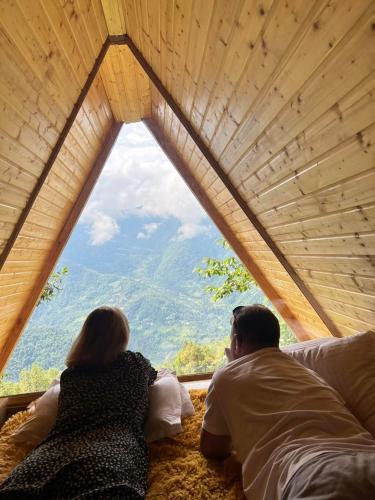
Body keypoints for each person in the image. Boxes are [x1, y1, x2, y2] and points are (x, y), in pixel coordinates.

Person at [200, 304, 375, 500]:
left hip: (310, 470)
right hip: (367, 455)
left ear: (237, 342)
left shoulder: (226, 376)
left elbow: (211, 447)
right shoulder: (308, 373)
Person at [0, 306, 157, 499]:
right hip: (113, 449)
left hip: (55, 449)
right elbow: (153, 377)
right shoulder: (135, 364)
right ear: (122, 335)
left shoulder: (71, 375)